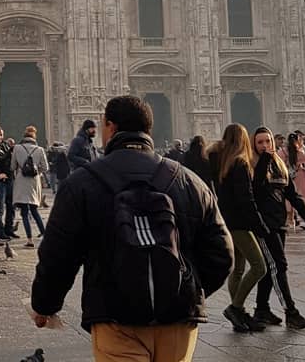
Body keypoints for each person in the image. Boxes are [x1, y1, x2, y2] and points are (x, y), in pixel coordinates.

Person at [30, 95, 232, 361]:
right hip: (178, 320)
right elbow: (222, 253)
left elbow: (58, 254)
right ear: (148, 129)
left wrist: (45, 305)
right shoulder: (188, 181)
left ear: (110, 127)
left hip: (115, 315)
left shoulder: (82, 183)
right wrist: (184, 288)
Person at [251, 126, 305, 329]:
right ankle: (291, 312)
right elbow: (255, 190)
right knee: (278, 266)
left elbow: (293, 196)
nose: (265, 146)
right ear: (254, 146)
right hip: (263, 226)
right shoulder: (251, 165)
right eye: (260, 142)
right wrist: (263, 162)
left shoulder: (279, 165)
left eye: (267, 141)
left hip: (279, 223)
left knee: (268, 267)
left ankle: (261, 309)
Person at [210, 123, 270, 333]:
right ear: (244, 140)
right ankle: (235, 308)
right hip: (240, 224)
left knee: (238, 270)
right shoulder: (241, 164)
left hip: (227, 221)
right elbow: (246, 199)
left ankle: (240, 313)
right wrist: (259, 224)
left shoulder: (221, 162)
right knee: (260, 266)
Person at [11, 125, 49, 248]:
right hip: (34, 182)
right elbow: (46, 168)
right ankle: (45, 235)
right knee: (34, 210)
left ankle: (29, 240)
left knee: (24, 212)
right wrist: (36, 171)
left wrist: (21, 168)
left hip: (21, 182)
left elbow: (12, 167)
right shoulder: (40, 149)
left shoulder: (17, 148)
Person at [0, 127, 14, 240]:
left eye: (1, 135)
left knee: (11, 206)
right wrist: (9, 153)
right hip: (0, 181)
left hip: (10, 179)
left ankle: (9, 229)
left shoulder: (5, 145)